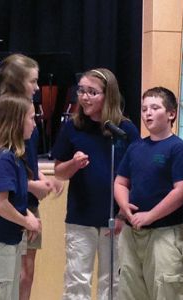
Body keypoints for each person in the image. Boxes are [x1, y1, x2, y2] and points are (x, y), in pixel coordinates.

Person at [51, 68, 140, 299]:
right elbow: (59, 172)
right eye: (81, 90)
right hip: (81, 217)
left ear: (108, 95)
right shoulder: (73, 126)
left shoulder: (125, 130)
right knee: (77, 279)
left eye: (92, 92)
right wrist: (74, 163)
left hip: (115, 218)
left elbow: (137, 174)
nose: (85, 97)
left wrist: (122, 213)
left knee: (112, 281)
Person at [0, 53, 64, 300]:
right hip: (15, 203)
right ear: (17, 81)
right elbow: (0, 168)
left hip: (27, 202)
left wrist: (42, 177)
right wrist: (31, 187)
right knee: (14, 274)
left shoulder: (26, 112)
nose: (38, 87)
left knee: (26, 270)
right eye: (33, 81)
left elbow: (25, 158)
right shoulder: (2, 113)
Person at [114, 87, 183, 300]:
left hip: (164, 232)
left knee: (166, 289)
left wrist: (150, 215)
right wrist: (125, 206)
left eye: (155, 108)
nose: (147, 113)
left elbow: (182, 191)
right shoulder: (136, 147)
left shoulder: (178, 148)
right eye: (144, 108)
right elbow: (120, 182)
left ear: (171, 114)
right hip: (132, 232)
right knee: (130, 289)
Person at [0, 95, 42, 300]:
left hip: (9, 240)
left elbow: (15, 199)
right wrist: (26, 221)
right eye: (31, 119)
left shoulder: (15, 157)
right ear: (16, 122)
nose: (34, 125)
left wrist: (29, 217)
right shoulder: (4, 158)